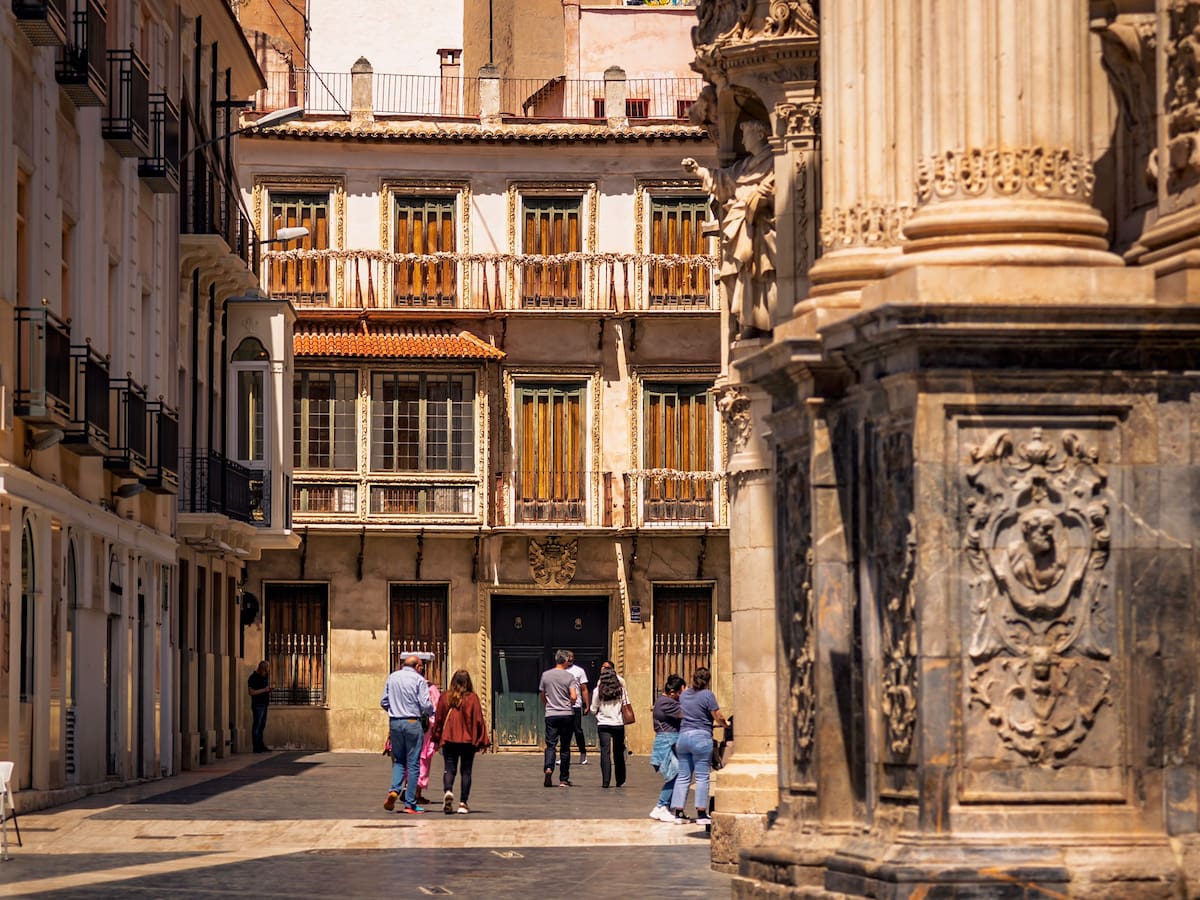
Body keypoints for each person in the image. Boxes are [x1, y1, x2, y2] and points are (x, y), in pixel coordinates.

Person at [682, 119, 777, 337]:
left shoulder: (774, 162)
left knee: (760, 274)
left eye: (747, 134)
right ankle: (749, 321)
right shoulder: (745, 166)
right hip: (742, 226)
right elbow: (724, 179)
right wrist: (697, 171)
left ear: (761, 134)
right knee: (739, 272)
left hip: (760, 228)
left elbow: (776, 186)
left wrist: (758, 198)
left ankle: (763, 322)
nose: (742, 140)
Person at [670, 667, 727, 825]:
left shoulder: (685, 694)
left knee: (683, 776)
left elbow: (682, 713)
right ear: (708, 680)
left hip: (683, 737)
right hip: (701, 738)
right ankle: (701, 814)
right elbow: (718, 716)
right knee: (702, 776)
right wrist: (725, 725)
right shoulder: (708, 695)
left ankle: (679, 813)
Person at [431, 669, 491, 814]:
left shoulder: (445, 697)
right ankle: (463, 803)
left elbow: (438, 719)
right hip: (467, 740)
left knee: (449, 768)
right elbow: (478, 720)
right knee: (466, 771)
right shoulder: (473, 698)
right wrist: (482, 740)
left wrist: (436, 737)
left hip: (449, 738)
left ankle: (448, 791)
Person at [380, 654, 435, 814]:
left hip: (395, 722)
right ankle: (410, 803)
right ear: (417, 666)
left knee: (399, 760)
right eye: (422, 667)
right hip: (412, 722)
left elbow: (383, 701)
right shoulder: (419, 680)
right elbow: (425, 705)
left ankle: (394, 790)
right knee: (413, 763)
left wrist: (394, 710)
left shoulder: (392, 677)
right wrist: (431, 711)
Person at [539, 649, 579, 787]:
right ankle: (563, 779)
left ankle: (549, 768)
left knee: (551, 745)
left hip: (551, 714)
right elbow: (574, 696)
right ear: (566, 660)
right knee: (565, 747)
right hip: (566, 714)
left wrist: (548, 705)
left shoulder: (545, 675)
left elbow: (542, 695)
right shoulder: (569, 677)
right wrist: (570, 703)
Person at [649, 674, 686, 821]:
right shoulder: (667, 703)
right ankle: (660, 806)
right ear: (672, 692)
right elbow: (686, 713)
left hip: (670, 741)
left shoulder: (665, 701)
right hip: (666, 742)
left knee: (678, 773)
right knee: (675, 773)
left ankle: (666, 807)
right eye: (680, 693)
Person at [589, 665, 630, 788]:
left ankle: (605, 781)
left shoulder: (598, 690)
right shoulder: (621, 690)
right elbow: (626, 704)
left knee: (605, 753)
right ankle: (620, 779)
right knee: (618, 752)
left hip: (603, 724)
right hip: (618, 724)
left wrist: (598, 715)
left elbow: (593, 708)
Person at [415, 655, 442, 805]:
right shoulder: (430, 688)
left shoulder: (406, 685)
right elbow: (436, 709)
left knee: (411, 758)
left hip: (408, 725)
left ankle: (408, 788)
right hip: (425, 729)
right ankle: (416, 792)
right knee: (423, 759)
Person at [565, 650, 591, 766]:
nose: (570, 659)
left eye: (572, 657)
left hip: (576, 705)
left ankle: (583, 753)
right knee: (564, 732)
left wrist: (587, 704)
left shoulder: (579, 671)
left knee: (577, 730)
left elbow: (584, 688)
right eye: (568, 657)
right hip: (563, 705)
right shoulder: (559, 670)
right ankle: (564, 755)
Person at [247, 660, 271, 753]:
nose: (267, 671)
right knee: (257, 725)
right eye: (266, 669)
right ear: (262, 669)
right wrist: (264, 690)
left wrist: (268, 690)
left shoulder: (264, 677)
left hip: (264, 704)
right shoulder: (253, 678)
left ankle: (261, 745)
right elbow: (251, 692)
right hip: (258, 705)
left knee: (262, 726)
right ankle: (256, 746)